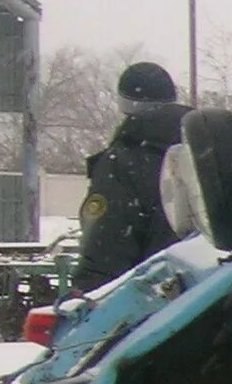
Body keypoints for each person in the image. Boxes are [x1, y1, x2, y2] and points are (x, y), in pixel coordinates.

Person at [71, 61, 190, 291]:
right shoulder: (204, 154)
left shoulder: (124, 162)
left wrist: (86, 298)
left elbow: (105, 248)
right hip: (206, 297)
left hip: (149, 303)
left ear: (124, 104)